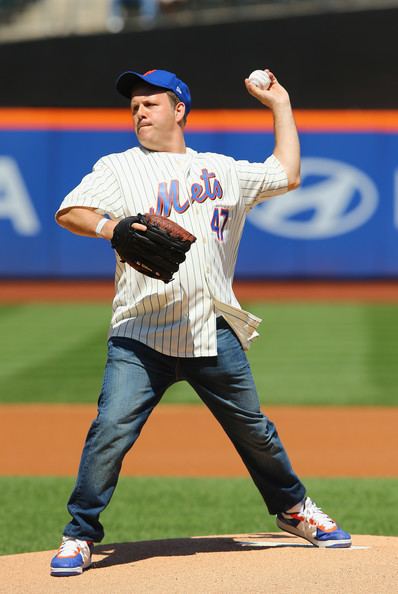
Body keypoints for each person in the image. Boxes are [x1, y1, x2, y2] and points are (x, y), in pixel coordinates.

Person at [50, 67, 351, 576]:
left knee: (256, 432)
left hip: (211, 327)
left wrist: (281, 104)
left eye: (151, 102)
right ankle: (79, 535)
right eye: (134, 105)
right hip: (140, 333)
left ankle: (294, 509)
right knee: (110, 431)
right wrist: (111, 226)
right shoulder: (118, 167)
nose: (139, 111)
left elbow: (288, 172)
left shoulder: (224, 169)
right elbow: (70, 210)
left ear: (179, 110)